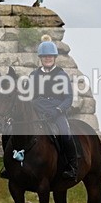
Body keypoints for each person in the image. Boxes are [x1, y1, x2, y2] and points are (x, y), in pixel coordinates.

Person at [27, 36, 77, 180]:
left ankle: (72, 167)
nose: (47, 58)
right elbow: (29, 95)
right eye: (44, 56)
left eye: (50, 56)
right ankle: (12, 165)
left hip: (56, 111)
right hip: (37, 110)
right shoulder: (33, 75)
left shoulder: (61, 75)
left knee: (65, 133)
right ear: (41, 58)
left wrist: (58, 111)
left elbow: (68, 98)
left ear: (54, 57)